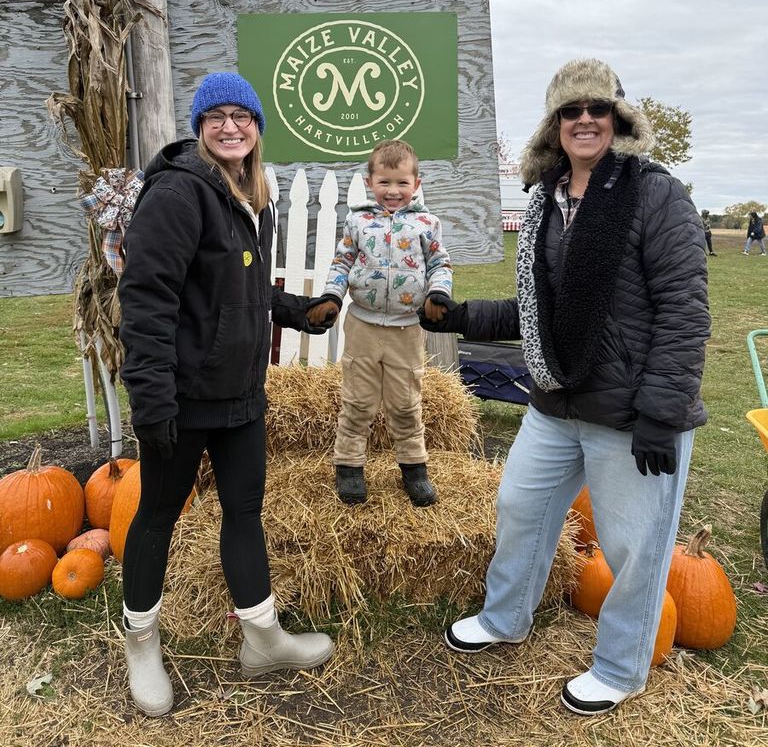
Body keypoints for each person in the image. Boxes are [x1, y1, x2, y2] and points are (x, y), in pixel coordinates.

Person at [420, 59, 710, 716]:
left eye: (597, 109)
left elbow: (684, 310)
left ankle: (620, 666)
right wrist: (458, 317)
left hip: (631, 414)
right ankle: (504, 617)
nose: (585, 120)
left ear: (618, 119)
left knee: (632, 549)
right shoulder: (547, 198)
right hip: (555, 404)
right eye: (570, 110)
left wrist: (662, 415)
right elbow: (539, 311)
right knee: (521, 509)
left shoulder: (654, 194)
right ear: (554, 125)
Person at [118, 71, 335, 717]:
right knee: (156, 516)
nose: (231, 126)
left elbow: (238, 292)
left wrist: (297, 311)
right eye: (217, 117)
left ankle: (263, 639)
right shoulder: (180, 194)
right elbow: (146, 301)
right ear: (200, 127)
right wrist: (152, 402)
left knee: (245, 514)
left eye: (243, 116)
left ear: (257, 128)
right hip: (183, 403)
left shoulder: (247, 196)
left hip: (241, 397)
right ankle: (141, 643)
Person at [306, 139, 453, 508]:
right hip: (363, 326)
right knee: (358, 401)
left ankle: (414, 467)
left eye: (402, 183)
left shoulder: (427, 224)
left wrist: (438, 295)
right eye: (385, 182)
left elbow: (440, 265)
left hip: (407, 328)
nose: (393, 191)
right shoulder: (357, 220)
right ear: (370, 182)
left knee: (406, 403)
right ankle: (349, 465)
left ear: (416, 183)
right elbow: (342, 264)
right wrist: (331, 297)